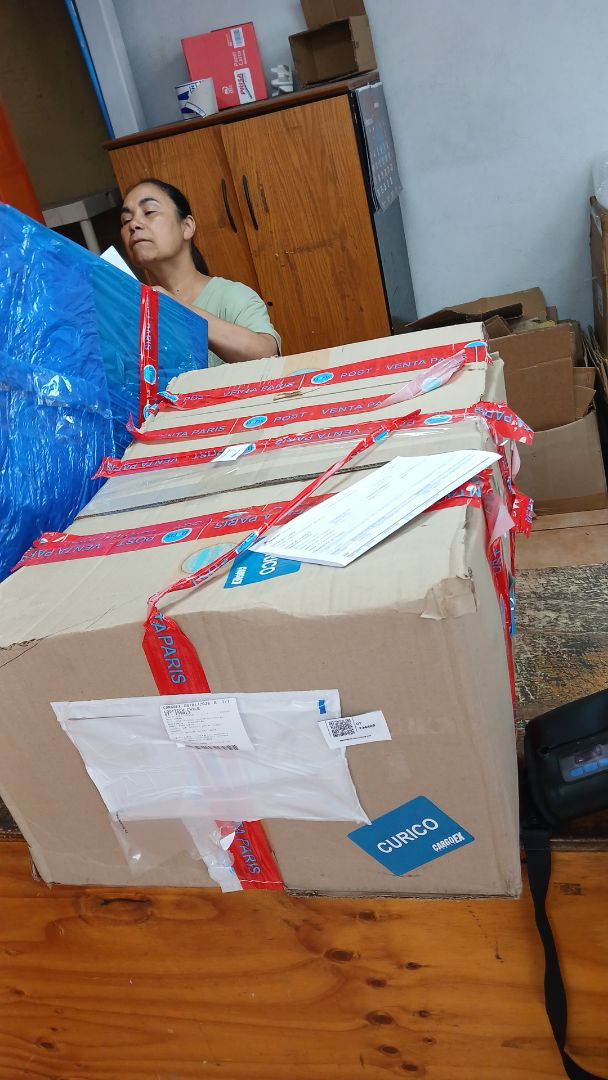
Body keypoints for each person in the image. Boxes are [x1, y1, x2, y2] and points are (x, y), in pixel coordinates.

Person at [119, 178, 280, 367]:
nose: (134, 224)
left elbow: (267, 355)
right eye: (126, 220)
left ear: (187, 227)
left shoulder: (232, 296)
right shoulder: (131, 314)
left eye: (149, 212)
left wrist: (176, 309)